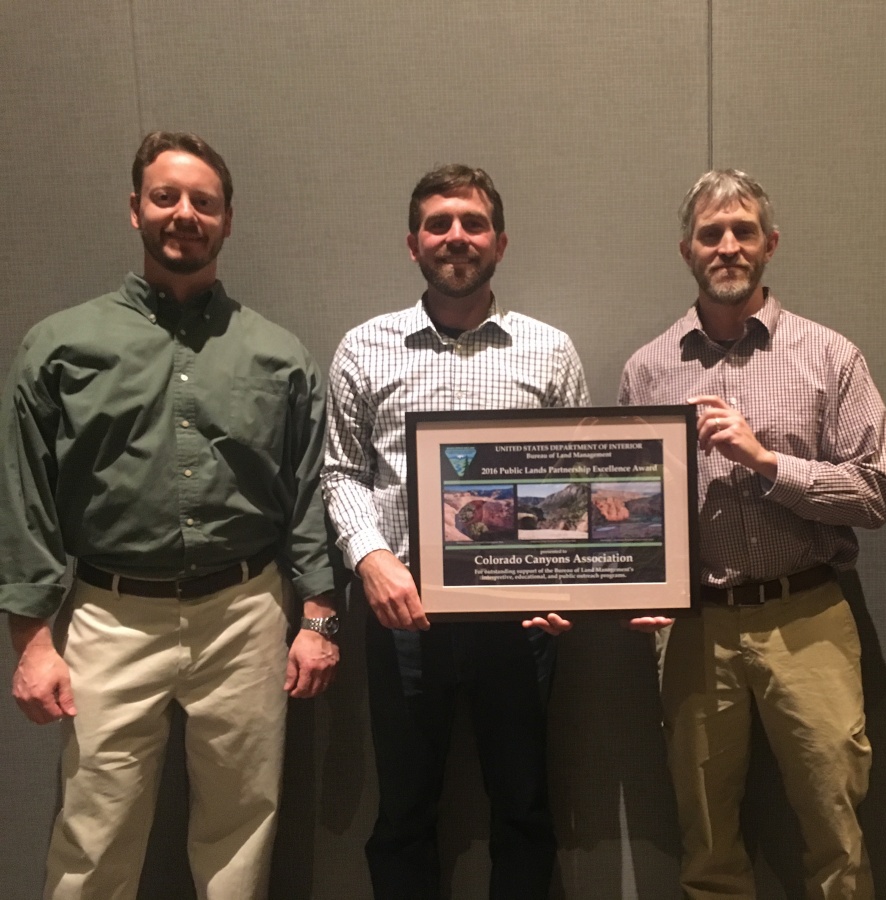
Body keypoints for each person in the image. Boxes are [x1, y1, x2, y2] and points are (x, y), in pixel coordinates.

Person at [0, 132, 339, 900]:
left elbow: (307, 490)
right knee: (94, 832)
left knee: (242, 826)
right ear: (134, 210)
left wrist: (318, 617)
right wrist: (30, 642)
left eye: (203, 202)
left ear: (226, 220)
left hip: (245, 613)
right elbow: (24, 498)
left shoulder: (278, 356)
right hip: (108, 617)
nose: (184, 214)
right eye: (166, 197)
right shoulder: (59, 347)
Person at [620, 169, 886, 899]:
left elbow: (878, 492)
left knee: (836, 826)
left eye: (743, 231)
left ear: (770, 244)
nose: (727, 246)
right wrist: (635, 579)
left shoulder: (829, 357)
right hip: (696, 630)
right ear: (687, 250)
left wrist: (768, 462)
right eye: (711, 234)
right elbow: (628, 507)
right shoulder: (647, 369)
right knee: (706, 838)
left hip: (806, 617)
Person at [322, 164, 589, 900]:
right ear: (412, 243)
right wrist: (370, 559)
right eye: (439, 224)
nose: (456, 237)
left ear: (500, 241)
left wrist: (571, 583)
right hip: (405, 612)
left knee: (526, 810)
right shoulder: (364, 347)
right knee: (405, 812)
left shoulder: (550, 350)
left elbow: (578, 485)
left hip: (522, 620)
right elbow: (341, 471)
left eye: (472, 223)